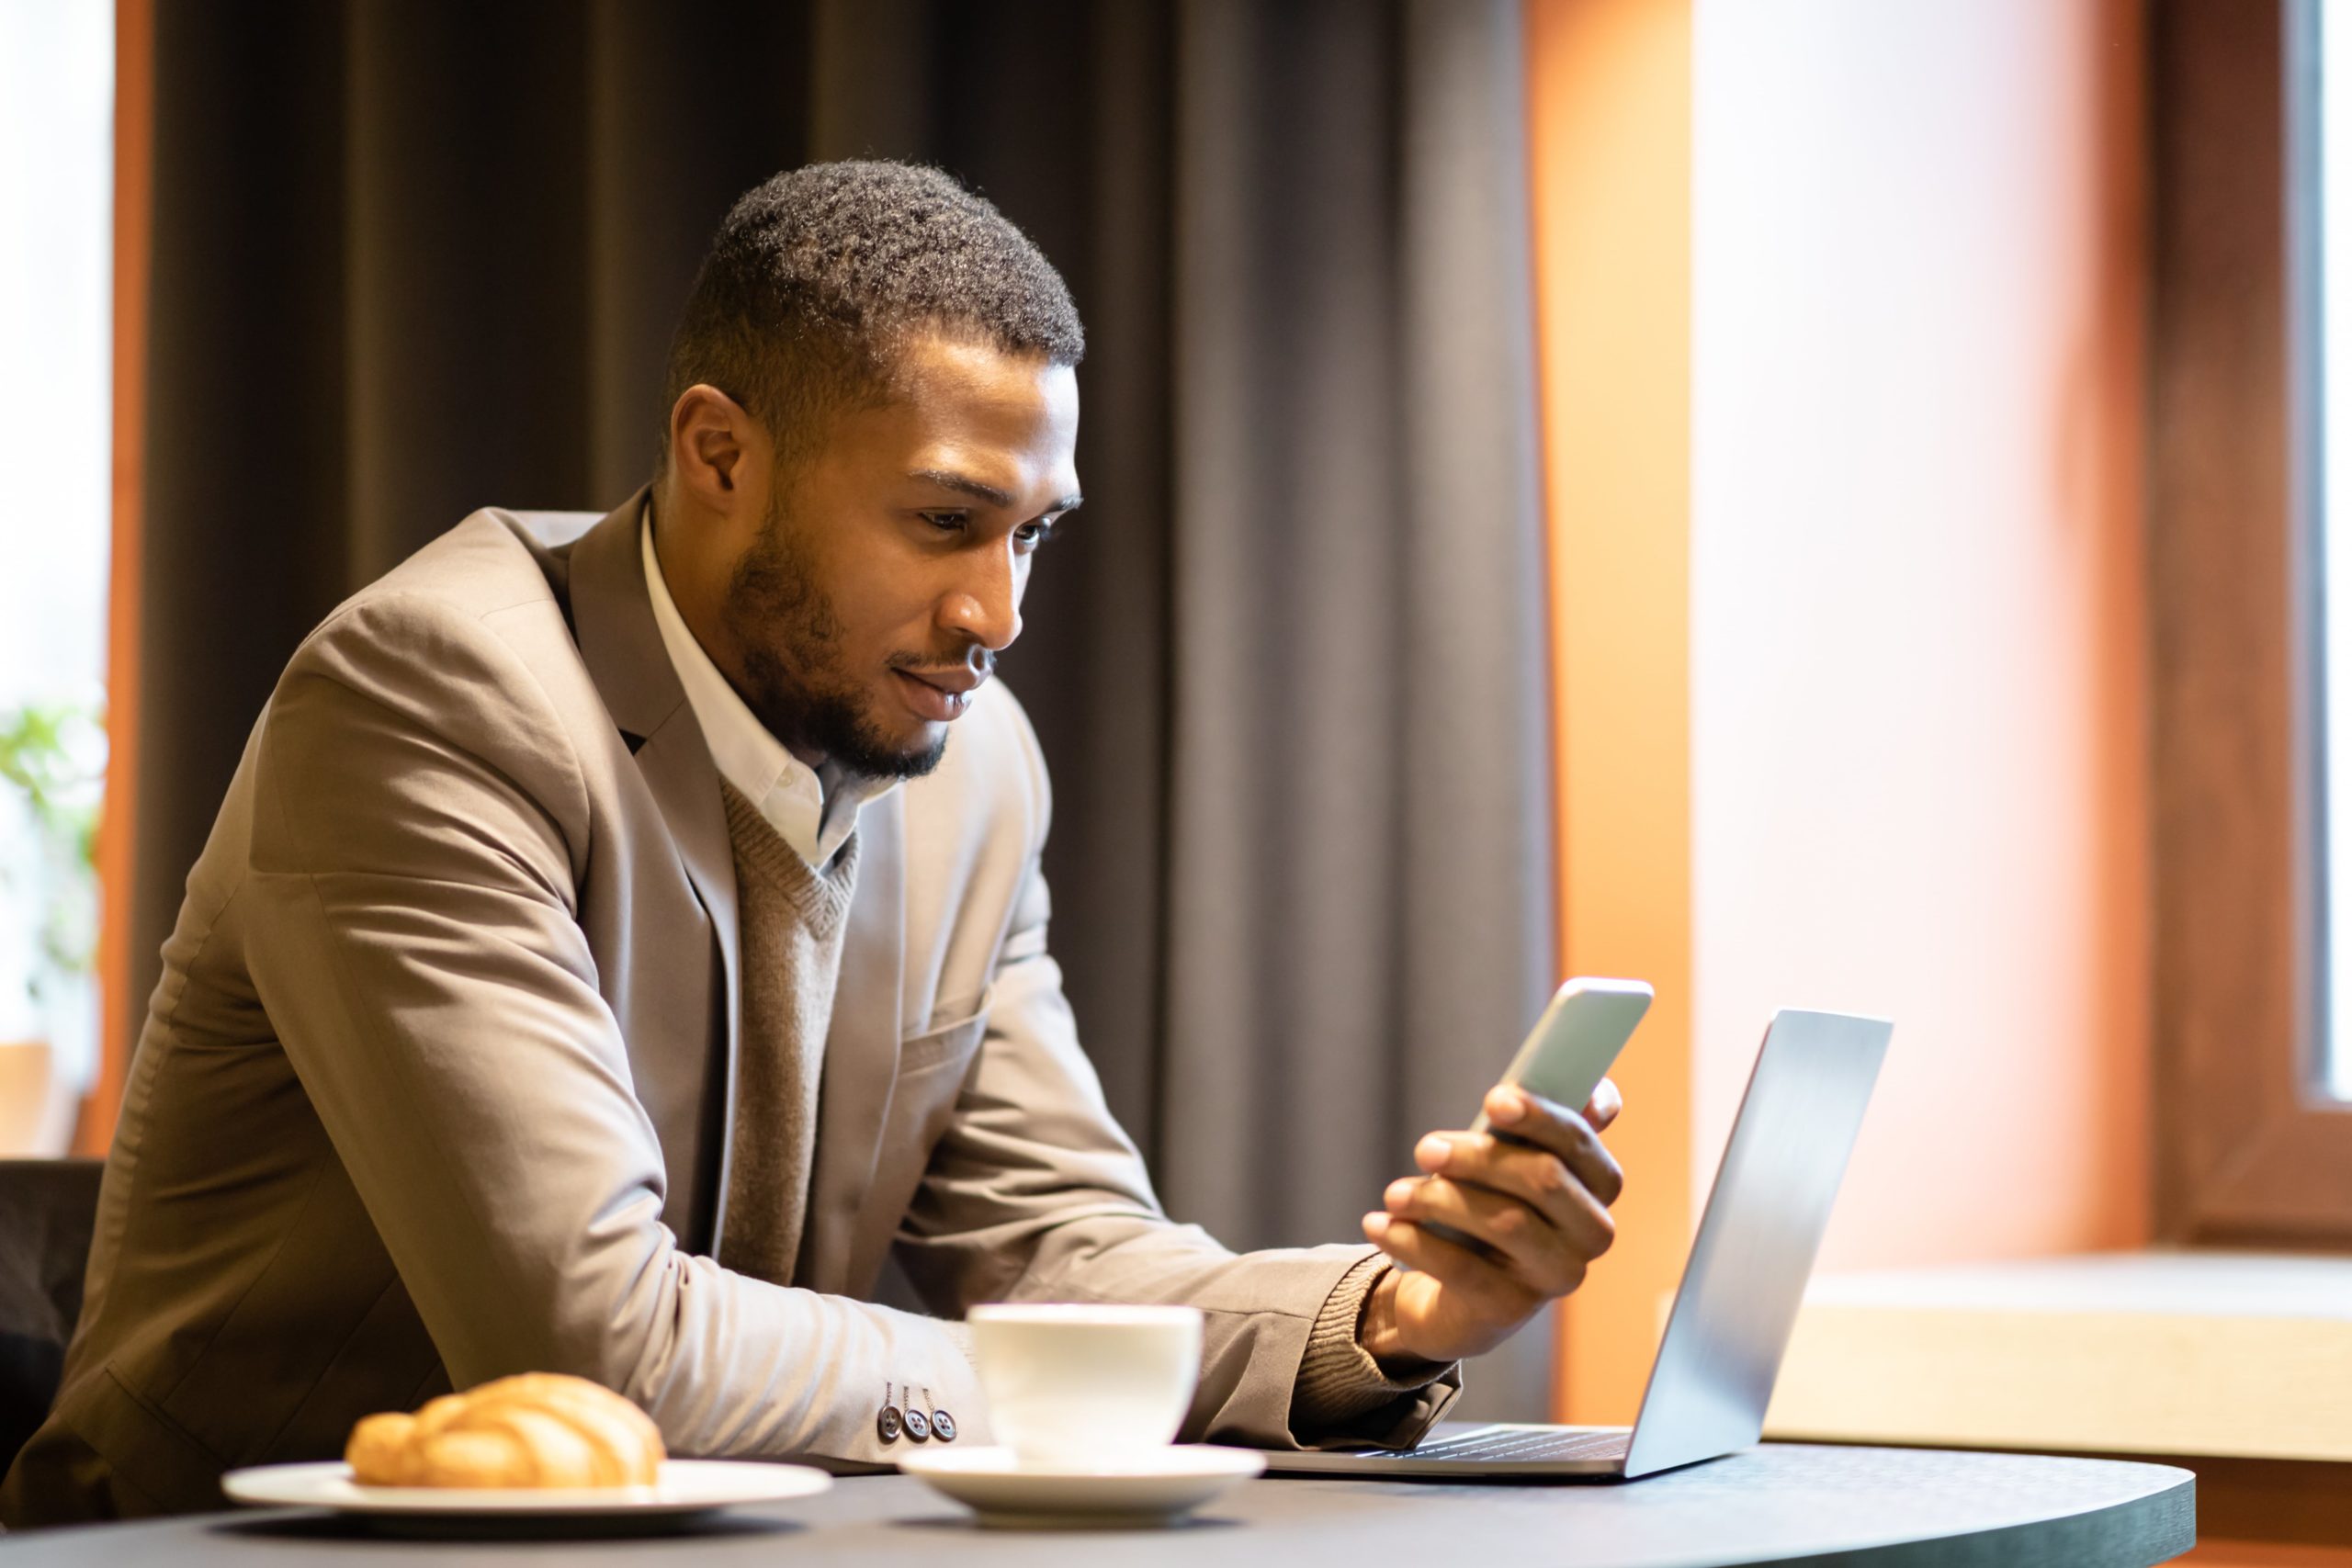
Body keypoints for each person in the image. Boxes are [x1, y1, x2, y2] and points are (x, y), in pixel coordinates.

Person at [1, 161, 1623, 1526]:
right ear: (720, 455)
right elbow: (595, 1340)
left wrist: (1390, 1317)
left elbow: (1057, 1243)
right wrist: (1051, 1386)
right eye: (944, 521)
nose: (997, 614)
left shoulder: (972, 762)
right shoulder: (429, 698)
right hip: (204, 1552)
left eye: (1030, 534)